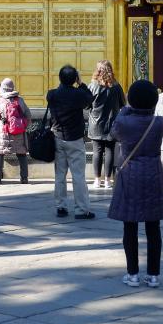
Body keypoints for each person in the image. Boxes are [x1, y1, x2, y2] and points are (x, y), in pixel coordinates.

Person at [108, 79, 163, 288]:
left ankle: (132, 273)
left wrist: (126, 108)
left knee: (130, 226)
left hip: (130, 175)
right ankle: (153, 274)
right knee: (154, 228)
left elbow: (114, 132)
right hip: (153, 173)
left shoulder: (124, 122)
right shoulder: (159, 122)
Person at [46, 65, 95, 219]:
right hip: (75, 138)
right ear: (74, 78)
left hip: (58, 137)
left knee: (60, 175)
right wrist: (80, 83)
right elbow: (90, 98)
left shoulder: (52, 94)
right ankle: (81, 209)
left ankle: (61, 206)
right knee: (78, 175)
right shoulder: (78, 94)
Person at [87, 60, 125, 189]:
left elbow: (87, 105)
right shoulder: (116, 86)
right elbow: (122, 104)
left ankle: (97, 180)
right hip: (112, 123)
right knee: (109, 151)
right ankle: (108, 180)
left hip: (95, 123)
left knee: (97, 151)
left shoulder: (92, 86)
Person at [0, 78, 32, 184]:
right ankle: (24, 178)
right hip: (18, 132)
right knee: (21, 154)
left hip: (4, 132)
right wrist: (21, 125)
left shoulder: (0, 101)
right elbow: (28, 115)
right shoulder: (20, 100)